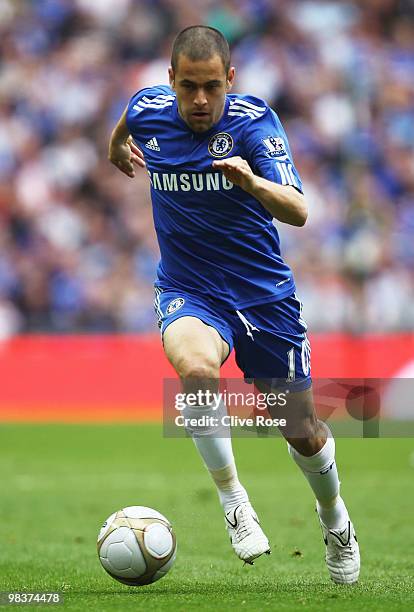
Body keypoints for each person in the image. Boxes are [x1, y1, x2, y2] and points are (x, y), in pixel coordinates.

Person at [109, 25, 360, 584]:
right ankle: (233, 502)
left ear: (231, 81)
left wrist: (250, 183)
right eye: (189, 87)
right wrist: (113, 149)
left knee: (301, 428)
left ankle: (335, 518)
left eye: (212, 87)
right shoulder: (148, 110)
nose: (200, 101)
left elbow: (297, 210)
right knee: (196, 372)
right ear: (170, 81)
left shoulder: (254, 124)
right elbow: (127, 122)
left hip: (263, 297)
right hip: (189, 289)